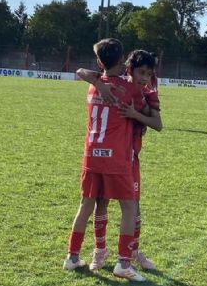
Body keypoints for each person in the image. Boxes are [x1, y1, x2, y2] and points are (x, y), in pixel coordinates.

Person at [64, 39, 146, 282]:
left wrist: (98, 81)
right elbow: (146, 111)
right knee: (129, 207)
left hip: (91, 156)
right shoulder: (128, 89)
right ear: (122, 61)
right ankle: (123, 263)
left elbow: (80, 71)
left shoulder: (93, 86)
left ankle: (72, 256)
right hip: (115, 159)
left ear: (99, 63)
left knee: (85, 205)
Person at [75, 50, 163, 273]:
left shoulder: (149, 93)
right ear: (129, 69)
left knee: (134, 207)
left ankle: (132, 252)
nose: (144, 78)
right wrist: (100, 84)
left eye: (149, 74)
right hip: (112, 155)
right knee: (101, 202)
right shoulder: (117, 84)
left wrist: (135, 114)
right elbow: (82, 71)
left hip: (131, 157)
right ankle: (100, 250)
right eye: (141, 72)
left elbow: (157, 123)